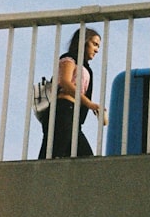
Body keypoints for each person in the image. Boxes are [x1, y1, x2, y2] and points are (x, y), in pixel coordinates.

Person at [38, 27, 105, 159]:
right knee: (54, 154)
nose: (97, 50)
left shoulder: (86, 68)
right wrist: (89, 104)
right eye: (94, 44)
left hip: (73, 117)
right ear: (84, 42)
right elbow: (65, 82)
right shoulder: (69, 59)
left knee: (85, 158)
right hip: (63, 110)